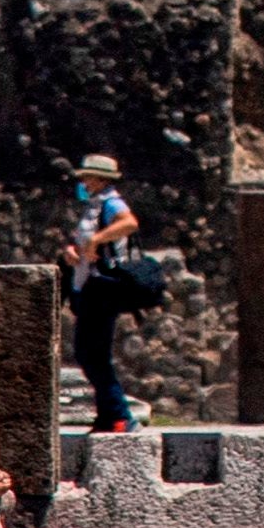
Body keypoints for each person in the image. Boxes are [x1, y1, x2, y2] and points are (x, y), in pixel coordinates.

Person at [60, 152, 151, 433]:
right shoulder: (94, 206)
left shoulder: (112, 203)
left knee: (92, 353)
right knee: (90, 353)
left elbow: (129, 223)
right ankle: (109, 416)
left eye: (87, 177)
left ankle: (120, 415)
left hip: (102, 287)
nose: (83, 182)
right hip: (86, 284)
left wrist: (98, 241)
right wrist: (73, 252)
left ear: (99, 179)